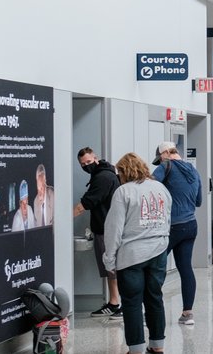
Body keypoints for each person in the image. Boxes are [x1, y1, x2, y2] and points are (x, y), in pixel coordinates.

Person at [103, 152, 172, 354]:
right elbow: (168, 218)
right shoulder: (161, 188)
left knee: (132, 303)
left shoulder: (123, 192)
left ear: (124, 171)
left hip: (131, 255)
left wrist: (109, 260)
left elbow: (113, 229)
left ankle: (136, 349)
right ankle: (157, 346)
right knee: (155, 298)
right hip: (158, 251)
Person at [151, 141, 202, 326]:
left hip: (171, 227)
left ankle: (149, 311)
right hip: (190, 225)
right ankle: (188, 313)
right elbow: (199, 201)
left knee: (155, 268)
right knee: (185, 268)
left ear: (165, 154)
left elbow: (149, 189)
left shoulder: (166, 166)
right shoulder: (193, 170)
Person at [74, 147, 123, 319]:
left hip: (106, 229)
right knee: (110, 267)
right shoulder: (105, 173)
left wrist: (62, 221)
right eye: (83, 164)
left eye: (88, 161)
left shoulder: (102, 177)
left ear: (96, 158)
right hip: (107, 228)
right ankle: (114, 302)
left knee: (111, 267)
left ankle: (117, 303)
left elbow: (86, 203)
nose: (86, 165)